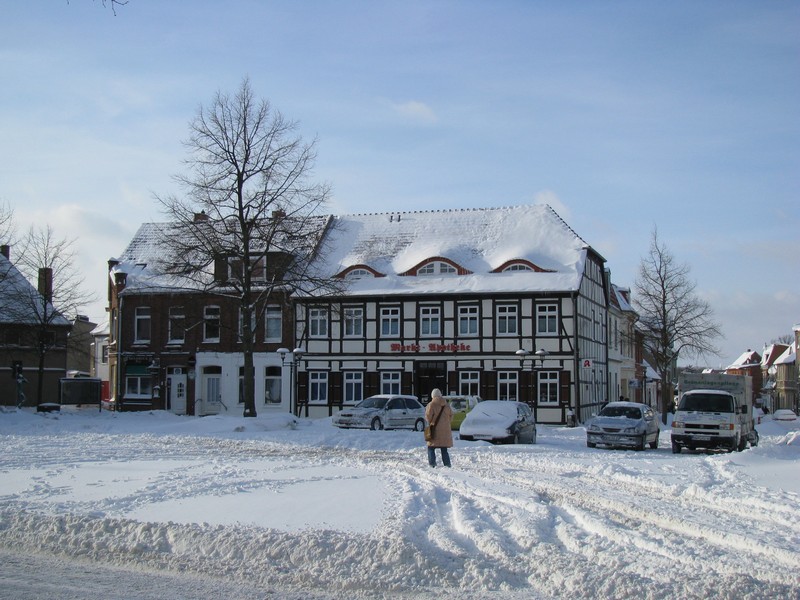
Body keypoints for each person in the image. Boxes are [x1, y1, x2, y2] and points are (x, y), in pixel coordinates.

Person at [425, 388, 453, 468]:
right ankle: (447, 464)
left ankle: (432, 463)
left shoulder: (431, 404)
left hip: (435, 430)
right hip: (445, 431)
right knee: (444, 449)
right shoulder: (446, 404)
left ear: (432, 396)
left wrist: (432, 422)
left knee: (431, 447)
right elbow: (451, 416)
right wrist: (446, 423)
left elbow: (428, 417)